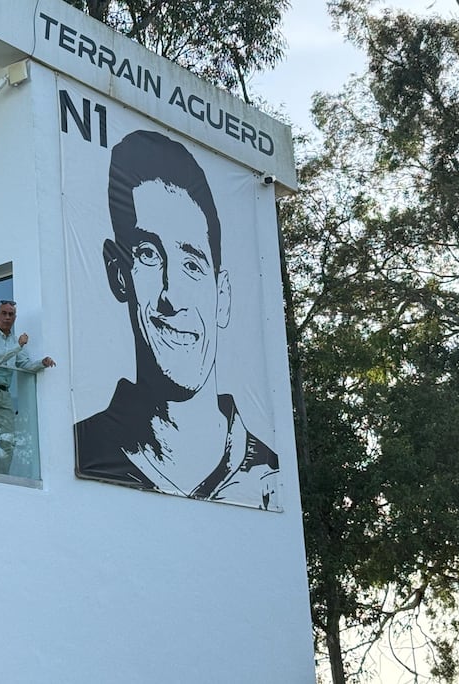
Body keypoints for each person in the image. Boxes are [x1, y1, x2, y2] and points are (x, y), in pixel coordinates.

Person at [74, 129, 280, 509]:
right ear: (118, 274)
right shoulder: (80, 449)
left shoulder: (271, 473)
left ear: (222, 296)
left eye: (192, 264)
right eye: (149, 255)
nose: (173, 296)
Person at [0, 300, 57, 474]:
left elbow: (25, 364)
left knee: (9, 439)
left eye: (11, 314)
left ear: (15, 318)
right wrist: (18, 346)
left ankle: (0, 478)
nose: (7, 317)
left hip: (4, 392)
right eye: (4, 313)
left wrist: (42, 363)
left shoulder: (14, 340)